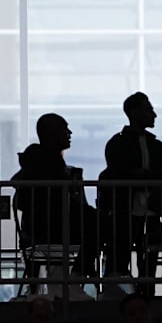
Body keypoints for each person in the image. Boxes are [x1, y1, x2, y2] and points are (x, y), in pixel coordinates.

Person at [12, 113, 99, 300]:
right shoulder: (46, 161)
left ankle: (64, 281)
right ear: (52, 133)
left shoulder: (36, 160)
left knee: (92, 221)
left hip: (40, 227)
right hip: (52, 226)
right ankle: (73, 280)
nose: (70, 133)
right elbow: (56, 199)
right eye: (64, 129)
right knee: (97, 223)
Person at [100, 92, 162, 298]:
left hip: (149, 211)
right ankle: (117, 296)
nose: (154, 115)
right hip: (125, 211)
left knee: (148, 260)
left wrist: (143, 175)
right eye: (148, 109)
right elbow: (119, 171)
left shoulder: (152, 145)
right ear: (134, 112)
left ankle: (143, 297)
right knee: (120, 256)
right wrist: (152, 176)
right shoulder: (121, 144)